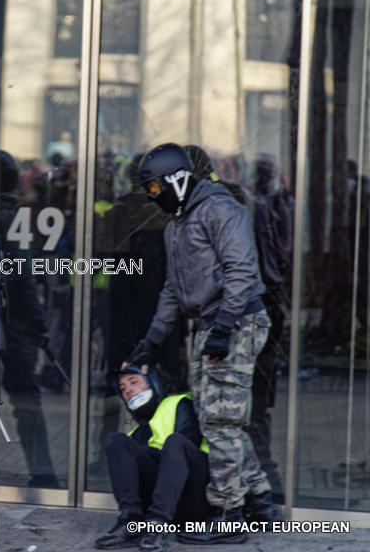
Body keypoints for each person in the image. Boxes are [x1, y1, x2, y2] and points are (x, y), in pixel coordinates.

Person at [124, 143, 281, 544]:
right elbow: (174, 291)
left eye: (156, 189)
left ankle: (229, 513)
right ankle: (261, 502)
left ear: (178, 179)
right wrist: (151, 343)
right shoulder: (178, 222)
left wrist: (226, 326)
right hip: (213, 324)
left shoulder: (219, 209)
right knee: (219, 418)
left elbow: (242, 269)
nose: (152, 197)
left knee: (219, 422)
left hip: (236, 321)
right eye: (148, 191)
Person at [0, 148, 60, 488]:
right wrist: (39, 326)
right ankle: (44, 472)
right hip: (12, 322)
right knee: (26, 401)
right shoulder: (8, 217)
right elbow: (21, 277)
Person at [95, 366, 210, 552]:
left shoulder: (178, 403)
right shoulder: (134, 435)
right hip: (162, 503)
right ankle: (131, 523)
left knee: (175, 442)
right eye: (123, 389)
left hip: (194, 496)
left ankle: (157, 524)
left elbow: (189, 446)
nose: (128, 390)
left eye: (134, 382)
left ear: (153, 383)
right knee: (117, 441)